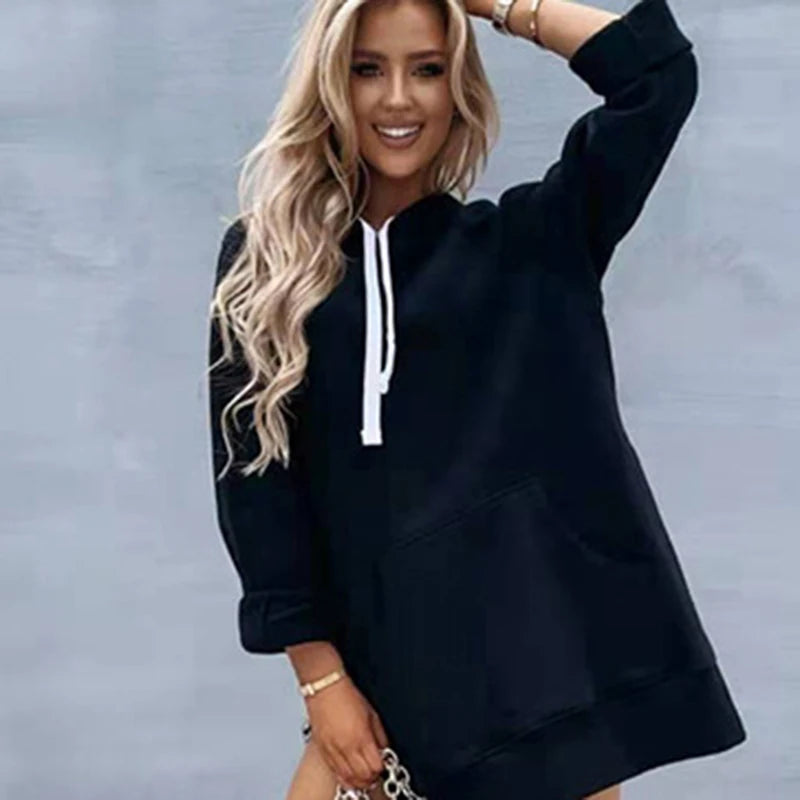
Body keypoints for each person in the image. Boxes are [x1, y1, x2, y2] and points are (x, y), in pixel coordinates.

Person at [206, 1, 747, 798]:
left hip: (553, 704)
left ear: (458, 89)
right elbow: (255, 491)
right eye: (366, 69)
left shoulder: (537, 242)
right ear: (329, 84)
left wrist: (497, 4)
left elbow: (657, 77)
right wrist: (321, 682)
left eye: (427, 69)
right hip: (379, 708)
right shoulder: (268, 267)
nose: (398, 98)